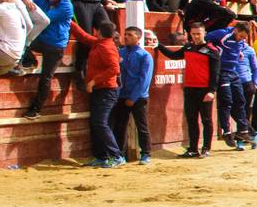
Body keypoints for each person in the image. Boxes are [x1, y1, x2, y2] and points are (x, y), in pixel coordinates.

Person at [157, 22, 221, 157]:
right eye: (193, 34)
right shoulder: (188, 47)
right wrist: (158, 45)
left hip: (204, 90)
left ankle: (206, 148)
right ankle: (193, 149)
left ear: (204, 33)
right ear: (190, 34)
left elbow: (215, 73)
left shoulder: (212, 50)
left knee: (206, 120)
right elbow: (173, 56)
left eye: (198, 34)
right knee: (191, 120)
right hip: (190, 88)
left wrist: (212, 91)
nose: (196, 36)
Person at [66, 18, 121, 167]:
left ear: (99, 32)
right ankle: (101, 157)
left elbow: (114, 69)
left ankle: (116, 156)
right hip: (102, 90)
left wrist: (93, 81)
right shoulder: (101, 43)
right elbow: (83, 36)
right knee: (97, 123)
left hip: (106, 90)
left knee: (100, 123)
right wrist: (69, 21)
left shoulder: (105, 47)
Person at [0, 0, 48, 100]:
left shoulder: (3, 8)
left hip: (2, 53)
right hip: (12, 60)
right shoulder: (16, 11)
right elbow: (29, 26)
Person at [22, 0, 75, 119]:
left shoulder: (66, 5)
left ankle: (36, 109)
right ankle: (30, 60)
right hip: (40, 39)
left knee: (46, 77)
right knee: (20, 42)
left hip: (55, 45)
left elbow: (43, 19)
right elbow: (26, 7)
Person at [110, 25, 154, 164]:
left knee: (142, 126)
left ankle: (146, 153)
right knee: (120, 126)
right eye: (125, 34)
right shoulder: (121, 53)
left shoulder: (145, 56)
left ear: (138, 37)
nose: (126, 37)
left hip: (138, 97)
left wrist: (133, 97)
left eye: (130, 35)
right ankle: (120, 155)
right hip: (121, 95)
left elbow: (144, 80)